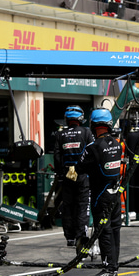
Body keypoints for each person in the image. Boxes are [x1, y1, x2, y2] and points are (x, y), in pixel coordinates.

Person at [78, 108, 123, 276]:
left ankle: (108, 268)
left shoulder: (94, 147)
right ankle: (114, 266)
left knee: (104, 230)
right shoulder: (117, 144)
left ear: (94, 125)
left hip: (100, 195)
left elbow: (80, 166)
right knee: (115, 229)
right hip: (115, 193)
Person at [53, 105, 93, 247]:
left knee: (68, 206)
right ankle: (80, 235)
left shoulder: (59, 134)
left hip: (67, 175)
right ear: (80, 118)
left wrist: (61, 172)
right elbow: (91, 153)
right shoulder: (86, 132)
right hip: (82, 174)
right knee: (82, 206)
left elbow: (57, 157)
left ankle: (69, 237)